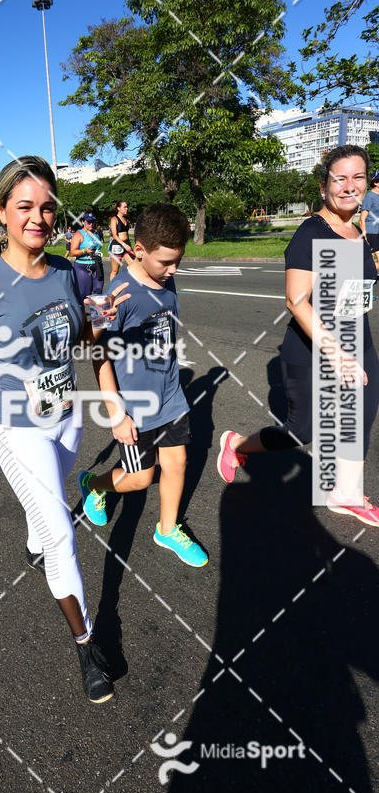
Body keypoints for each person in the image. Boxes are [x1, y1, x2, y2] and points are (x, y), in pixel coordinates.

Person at [0, 155, 130, 703]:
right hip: (15, 427)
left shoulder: (74, 273)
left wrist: (115, 403)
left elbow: (93, 345)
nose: (38, 216)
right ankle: (86, 644)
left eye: (47, 207)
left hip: (67, 418)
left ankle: (35, 537)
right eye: (25, 205)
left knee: (44, 515)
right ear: (1, 210)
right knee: (61, 532)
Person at [217, 144, 379, 526]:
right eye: (340, 178)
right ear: (324, 185)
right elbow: (296, 300)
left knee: (361, 416)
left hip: (361, 341)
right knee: (301, 431)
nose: (349, 186)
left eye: (358, 178)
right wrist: (337, 355)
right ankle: (235, 443)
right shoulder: (311, 233)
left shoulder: (361, 230)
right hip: (312, 349)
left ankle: (346, 493)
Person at [77, 203, 208, 567]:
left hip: (170, 396)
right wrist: (116, 413)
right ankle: (94, 485)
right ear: (138, 250)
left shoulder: (167, 277)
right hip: (135, 408)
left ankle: (167, 529)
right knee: (139, 478)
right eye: (165, 262)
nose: (174, 270)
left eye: (178, 260)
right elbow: (98, 355)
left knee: (177, 462)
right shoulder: (117, 295)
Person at [69, 211, 104, 300]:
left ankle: (96, 313)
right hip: (83, 266)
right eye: (89, 222)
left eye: (93, 222)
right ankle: (82, 313)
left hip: (97, 265)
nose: (91, 224)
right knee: (84, 293)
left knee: (98, 291)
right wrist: (85, 250)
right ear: (83, 222)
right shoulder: (78, 234)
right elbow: (72, 252)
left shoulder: (96, 233)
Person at [108, 200, 134, 280]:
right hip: (117, 245)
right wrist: (124, 245)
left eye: (127, 207)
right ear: (119, 208)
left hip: (127, 244)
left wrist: (128, 245)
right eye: (125, 207)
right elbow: (115, 236)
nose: (127, 209)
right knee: (115, 271)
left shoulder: (126, 219)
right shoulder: (114, 219)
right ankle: (111, 289)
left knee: (134, 267)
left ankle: (134, 287)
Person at [360, 169, 379, 267]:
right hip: (371, 232)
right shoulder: (369, 197)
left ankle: (369, 274)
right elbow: (362, 218)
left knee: (370, 260)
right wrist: (364, 235)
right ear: (376, 182)